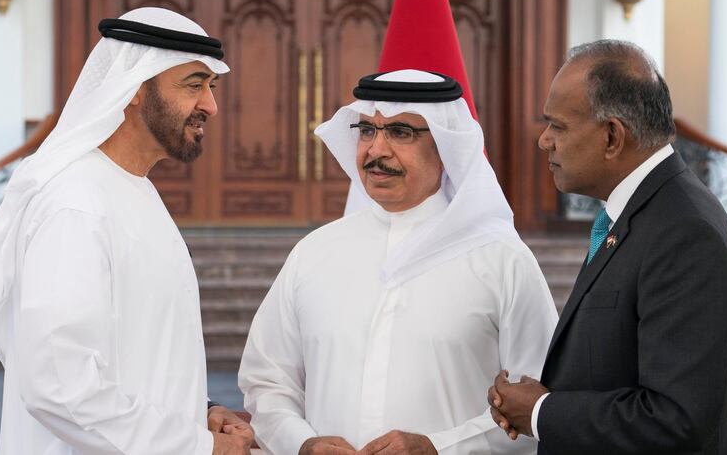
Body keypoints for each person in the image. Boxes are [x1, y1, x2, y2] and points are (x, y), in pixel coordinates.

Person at [0, 7, 253, 454]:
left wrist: (198, 410)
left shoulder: (131, 189)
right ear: (137, 88)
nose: (210, 106)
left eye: (211, 87)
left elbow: (135, 353)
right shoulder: (76, 202)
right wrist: (197, 447)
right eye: (193, 85)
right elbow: (60, 385)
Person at [239, 69, 558, 455]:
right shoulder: (314, 253)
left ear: (446, 146)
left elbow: (537, 404)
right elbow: (268, 382)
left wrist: (440, 448)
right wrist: (302, 443)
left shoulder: (504, 262)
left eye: (400, 132)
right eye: (367, 131)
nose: (376, 151)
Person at [488, 40, 727, 454]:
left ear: (612, 136)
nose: (544, 141)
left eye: (559, 126)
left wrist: (541, 412)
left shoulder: (684, 230)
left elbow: (676, 418)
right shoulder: (636, 212)